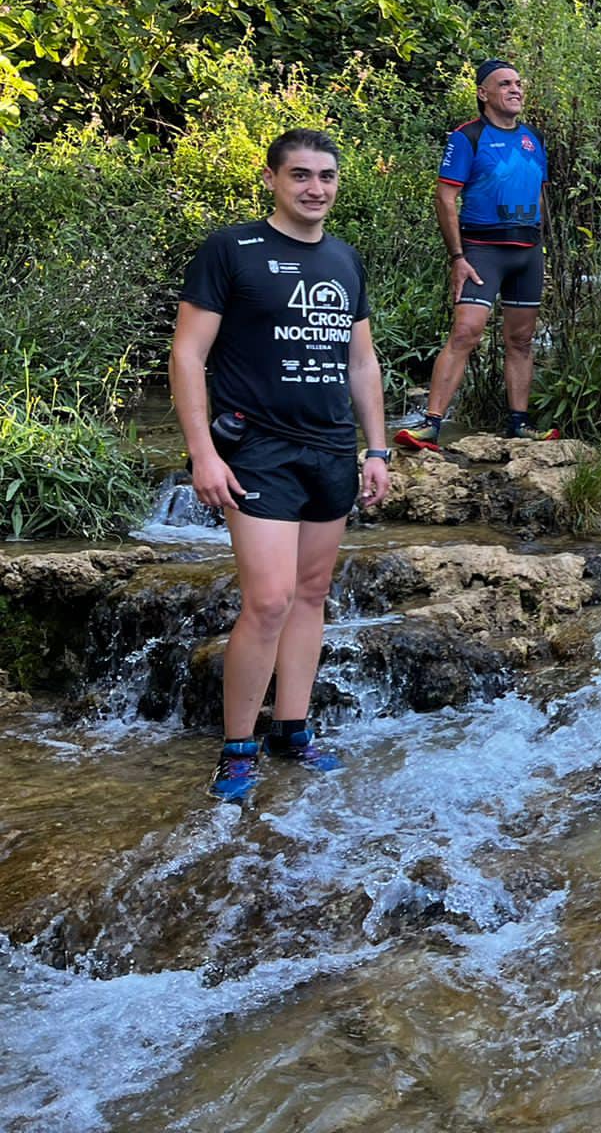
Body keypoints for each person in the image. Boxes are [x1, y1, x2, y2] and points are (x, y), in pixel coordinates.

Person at [169, 129, 391, 801]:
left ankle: (294, 729)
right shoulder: (230, 250)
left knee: (311, 594)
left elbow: (362, 362)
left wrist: (376, 449)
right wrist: (202, 453)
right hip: (256, 448)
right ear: (271, 179)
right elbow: (186, 355)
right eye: (300, 175)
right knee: (266, 601)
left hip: (328, 447)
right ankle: (239, 748)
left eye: (326, 176)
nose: (315, 188)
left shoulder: (346, 260)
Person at [397, 59, 558, 452]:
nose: (515, 89)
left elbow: (540, 193)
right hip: (482, 251)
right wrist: (457, 256)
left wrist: (540, 243)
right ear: (484, 94)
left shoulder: (534, 137)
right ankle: (430, 425)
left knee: (521, 340)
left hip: (527, 253)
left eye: (518, 83)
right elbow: (445, 196)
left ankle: (518, 425)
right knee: (466, 332)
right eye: (505, 84)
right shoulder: (467, 137)